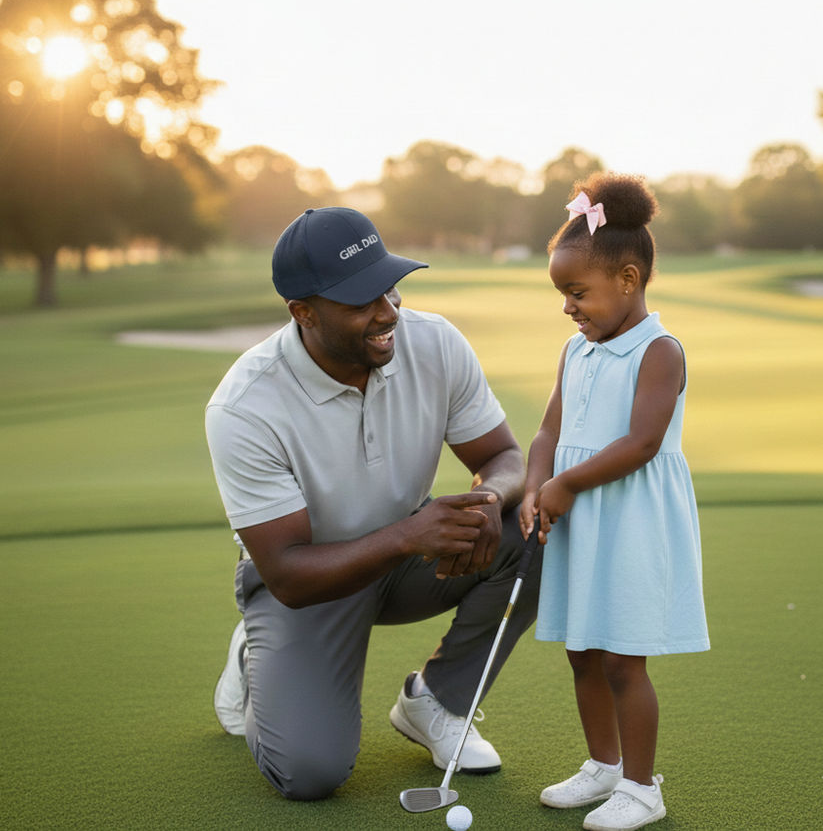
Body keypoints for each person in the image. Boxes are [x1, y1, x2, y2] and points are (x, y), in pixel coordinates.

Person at [205, 206, 541, 801]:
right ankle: (256, 656)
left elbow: (505, 456)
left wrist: (489, 496)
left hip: (410, 554)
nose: (388, 311)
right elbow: (286, 571)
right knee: (309, 774)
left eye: (389, 285)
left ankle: (437, 703)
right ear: (302, 313)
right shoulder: (244, 406)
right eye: (361, 299)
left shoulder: (434, 341)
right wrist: (410, 537)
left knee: (536, 526)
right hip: (307, 583)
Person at [519, 174, 710, 831]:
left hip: (628, 519)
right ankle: (601, 766)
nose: (568, 308)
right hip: (578, 518)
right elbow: (548, 429)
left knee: (624, 659)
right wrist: (535, 482)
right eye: (562, 295)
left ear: (627, 279)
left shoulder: (658, 351)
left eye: (577, 293)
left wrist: (565, 484)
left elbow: (641, 442)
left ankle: (639, 786)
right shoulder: (575, 350)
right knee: (582, 651)